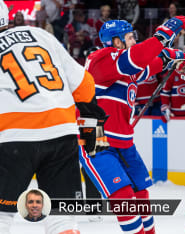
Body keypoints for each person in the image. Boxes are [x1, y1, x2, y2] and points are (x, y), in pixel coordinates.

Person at [0, 0, 108, 233]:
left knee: (1, 217)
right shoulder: (40, 35)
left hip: (12, 137)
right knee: (62, 219)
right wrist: (92, 121)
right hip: (62, 133)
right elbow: (84, 83)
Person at [81, 17, 185, 234]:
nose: (135, 41)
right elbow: (138, 57)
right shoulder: (100, 58)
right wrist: (165, 33)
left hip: (122, 138)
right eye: (131, 37)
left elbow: (147, 66)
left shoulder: (125, 67)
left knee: (140, 193)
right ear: (116, 42)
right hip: (95, 134)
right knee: (123, 196)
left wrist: (171, 56)